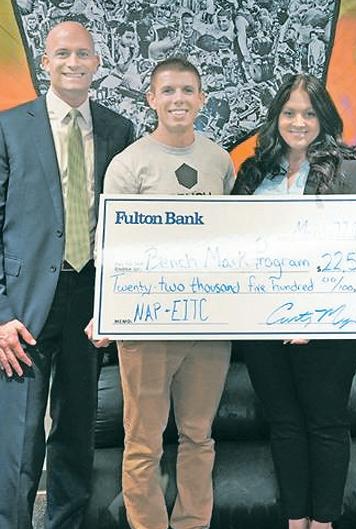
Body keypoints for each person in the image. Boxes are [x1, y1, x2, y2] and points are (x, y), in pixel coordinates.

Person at [0, 21, 134, 529]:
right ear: (46, 63)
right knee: (19, 437)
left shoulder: (119, 130)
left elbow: (127, 225)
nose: (73, 63)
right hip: (25, 304)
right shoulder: (10, 127)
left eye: (82, 54)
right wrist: (1, 314)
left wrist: (114, 303)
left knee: (76, 428)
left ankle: (66, 523)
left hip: (88, 298)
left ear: (97, 62)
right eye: (62, 54)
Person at [232, 73, 356, 529]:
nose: (299, 122)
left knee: (326, 423)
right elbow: (232, 247)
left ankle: (324, 522)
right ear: (276, 118)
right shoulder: (253, 172)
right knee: (284, 423)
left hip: (328, 327)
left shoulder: (348, 170)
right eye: (289, 113)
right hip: (263, 326)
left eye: (309, 113)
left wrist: (313, 314)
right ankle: (296, 520)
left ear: (323, 118)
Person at [101, 57, 233, 529]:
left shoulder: (219, 161)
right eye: (169, 91)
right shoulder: (128, 164)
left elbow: (232, 236)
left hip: (207, 325)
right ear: (151, 99)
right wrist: (107, 309)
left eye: (188, 91)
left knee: (199, 436)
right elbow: (109, 248)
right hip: (147, 329)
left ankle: (194, 522)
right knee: (144, 443)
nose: (179, 99)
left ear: (202, 99)